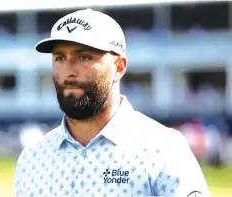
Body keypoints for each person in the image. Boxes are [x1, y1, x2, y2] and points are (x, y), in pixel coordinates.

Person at [14, 8, 210, 197]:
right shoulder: (32, 158)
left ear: (119, 66)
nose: (68, 70)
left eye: (84, 56)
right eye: (59, 57)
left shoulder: (163, 150)